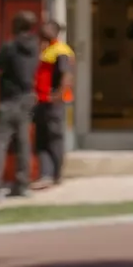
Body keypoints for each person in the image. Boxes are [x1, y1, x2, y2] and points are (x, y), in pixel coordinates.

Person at [0, 11, 42, 202]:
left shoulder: (11, 46)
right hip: (27, 98)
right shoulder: (36, 48)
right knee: (23, 143)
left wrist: (0, 70)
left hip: (9, 100)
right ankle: (22, 185)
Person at [32, 19, 75, 188]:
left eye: (48, 28)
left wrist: (57, 95)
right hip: (41, 101)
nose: (44, 30)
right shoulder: (46, 50)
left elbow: (67, 75)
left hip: (54, 103)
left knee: (54, 138)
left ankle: (55, 174)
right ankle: (45, 175)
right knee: (41, 140)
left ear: (56, 31)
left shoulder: (60, 50)